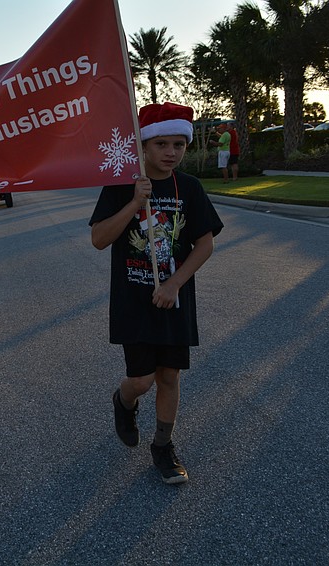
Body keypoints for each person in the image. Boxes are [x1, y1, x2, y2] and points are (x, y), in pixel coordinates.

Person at [90, 102, 223, 485]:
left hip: (174, 299)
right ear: (143, 147)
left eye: (179, 144)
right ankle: (124, 399)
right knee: (143, 380)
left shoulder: (190, 188)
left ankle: (163, 447)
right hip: (134, 302)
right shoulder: (121, 186)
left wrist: (174, 283)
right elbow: (99, 239)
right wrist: (134, 202)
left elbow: (204, 244)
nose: (171, 152)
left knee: (170, 377)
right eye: (162, 144)